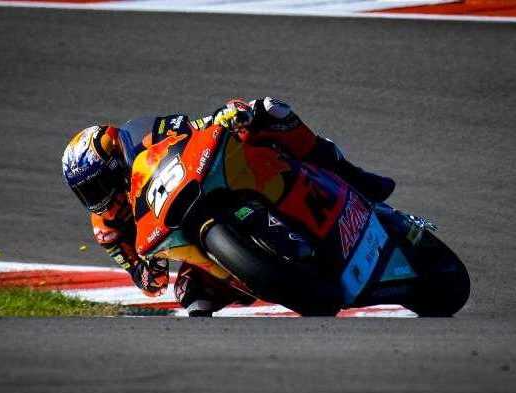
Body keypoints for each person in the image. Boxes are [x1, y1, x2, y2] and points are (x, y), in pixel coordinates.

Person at [62, 97, 395, 316]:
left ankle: (349, 173)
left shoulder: (146, 136)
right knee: (189, 294)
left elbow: (194, 128)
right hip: (190, 244)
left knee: (268, 109)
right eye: (85, 192)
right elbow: (146, 280)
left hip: (204, 184)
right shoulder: (107, 228)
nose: (96, 197)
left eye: (97, 185)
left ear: (115, 164)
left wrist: (226, 116)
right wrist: (148, 271)